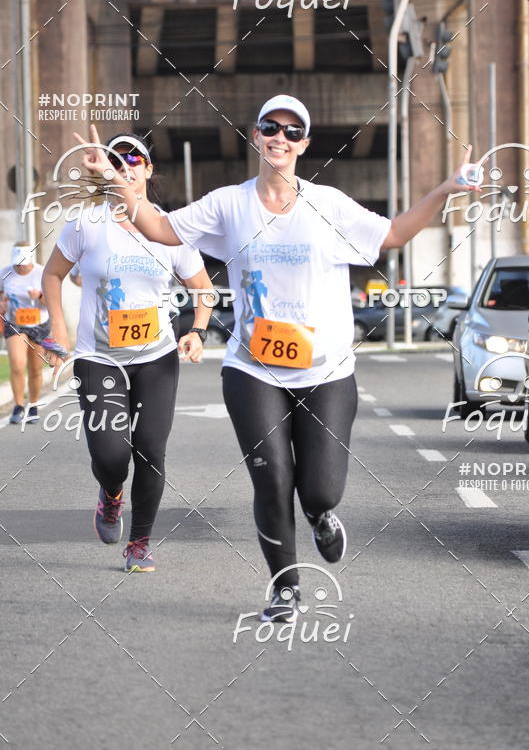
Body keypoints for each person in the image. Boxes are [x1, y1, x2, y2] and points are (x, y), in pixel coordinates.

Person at [80, 97, 480, 614]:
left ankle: (321, 516)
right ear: (256, 135)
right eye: (271, 127)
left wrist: (446, 190)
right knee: (272, 479)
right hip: (253, 370)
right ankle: (285, 587)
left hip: (327, 371)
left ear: (305, 145)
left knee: (319, 491)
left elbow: (396, 233)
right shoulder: (228, 204)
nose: (281, 138)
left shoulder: (329, 205)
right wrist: (117, 184)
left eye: (293, 132)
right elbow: (160, 230)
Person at [43, 130, 214, 573]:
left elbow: (204, 289)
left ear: (148, 170)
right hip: (99, 358)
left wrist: (197, 330)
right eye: (116, 161)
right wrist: (58, 330)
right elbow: (52, 276)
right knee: (111, 456)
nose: (125, 167)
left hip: (156, 358)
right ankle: (111, 495)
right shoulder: (86, 225)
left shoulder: (168, 229)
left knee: (151, 449)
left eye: (133, 160)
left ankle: (140, 543)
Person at [0, 243, 50, 424]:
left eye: (24, 263)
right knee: (17, 364)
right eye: (17, 263)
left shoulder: (41, 273)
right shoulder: (5, 273)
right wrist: (2, 304)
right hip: (15, 324)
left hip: (39, 323)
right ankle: (18, 405)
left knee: (35, 369)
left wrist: (39, 296)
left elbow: (52, 301)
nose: (20, 266)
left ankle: (33, 405)